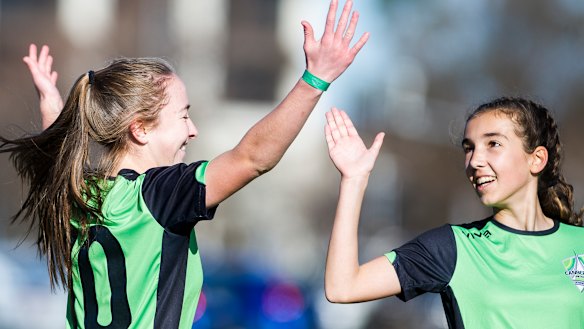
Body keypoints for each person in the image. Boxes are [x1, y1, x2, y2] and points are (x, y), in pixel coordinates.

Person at [1, 1, 369, 328]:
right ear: (140, 130)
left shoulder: (80, 196)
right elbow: (253, 157)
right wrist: (315, 79)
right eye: (183, 116)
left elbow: (57, 161)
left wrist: (51, 105)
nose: (192, 131)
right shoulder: (158, 196)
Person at [323, 99, 584, 328]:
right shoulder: (452, 248)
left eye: (493, 143)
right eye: (469, 148)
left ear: (537, 159)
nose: (475, 161)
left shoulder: (579, 244)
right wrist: (353, 180)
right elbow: (343, 287)